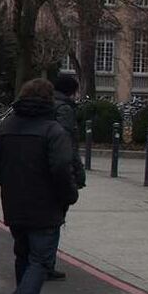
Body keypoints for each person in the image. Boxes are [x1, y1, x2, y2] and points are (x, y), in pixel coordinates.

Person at [0, 78, 79, 294]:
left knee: (23, 254)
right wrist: (68, 195)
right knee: (42, 260)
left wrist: (11, 184)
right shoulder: (53, 130)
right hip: (46, 205)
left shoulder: (5, 127)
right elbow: (62, 167)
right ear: (49, 99)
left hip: (15, 203)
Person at [49, 74, 86, 281]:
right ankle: (45, 262)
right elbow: (67, 145)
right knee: (54, 219)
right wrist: (77, 175)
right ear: (71, 91)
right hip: (58, 172)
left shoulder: (47, 103)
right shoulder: (65, 109)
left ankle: (38, 260)